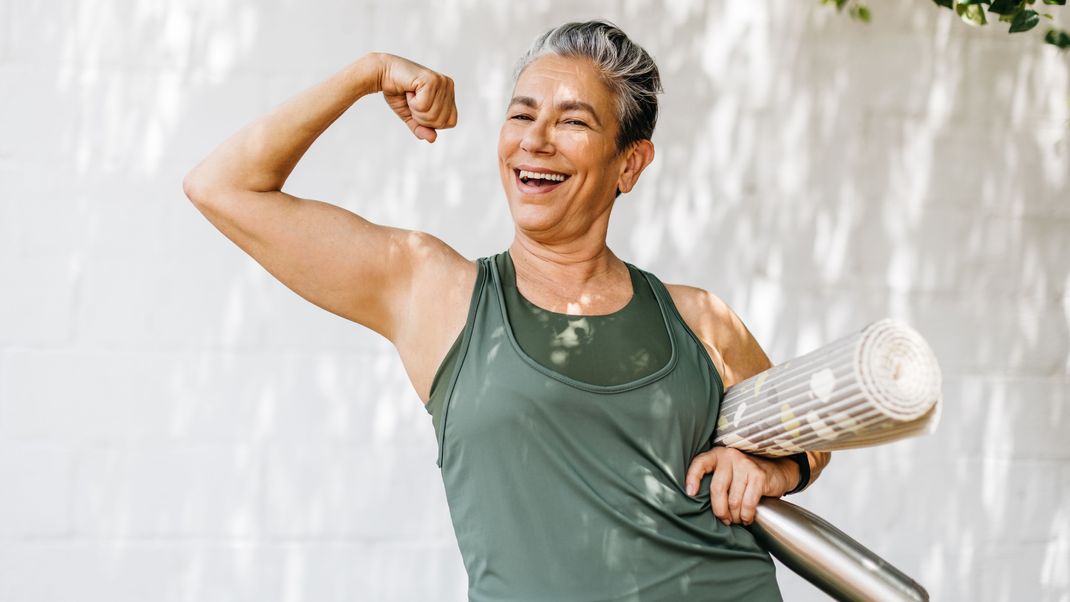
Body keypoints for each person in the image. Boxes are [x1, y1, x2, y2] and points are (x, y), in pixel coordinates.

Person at [183, 19, 831, 601]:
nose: (537, 141)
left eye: (573, 121)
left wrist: (772, 467)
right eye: (522, 116)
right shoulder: (435, 293)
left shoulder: (696, 319)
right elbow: (222, 187)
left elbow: (815, 434)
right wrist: (368, 71)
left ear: (629, 164)